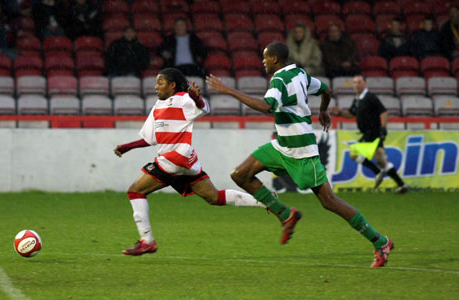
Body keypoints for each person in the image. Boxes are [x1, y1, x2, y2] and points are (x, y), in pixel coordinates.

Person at [206, 42, 394, 268]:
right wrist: (323, 110)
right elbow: (326, 90)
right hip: (282, 146)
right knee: (240, 174)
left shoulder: (279, 80)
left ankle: (380, 241)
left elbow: (267, 107)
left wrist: (229, 90)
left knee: (329, 202)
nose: (262, 61)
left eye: (265, 58)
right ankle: (285, 214)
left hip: (303, 150)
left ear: (275, 59)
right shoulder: (300, 74)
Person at [114, 68, 264, 256]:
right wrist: (128, 146)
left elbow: (203, 108)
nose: (156, 86)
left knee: (135, 191)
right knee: (214, 197)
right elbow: (150, 139)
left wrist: (196, 99)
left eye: (160, 83)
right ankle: (264, 201)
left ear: (172, 85)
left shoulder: (184, 99)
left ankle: (147, 241)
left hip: (174, 159)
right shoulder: (157, 107)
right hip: (186, 162)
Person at [331, 75, 408, 194]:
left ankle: (377, 172)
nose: (356, 85)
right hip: (368, 133)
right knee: (381, 160)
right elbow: (352, 114)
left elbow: (383, 112)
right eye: (354, 82)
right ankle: (401, 185)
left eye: (359, 82)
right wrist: (340, 113)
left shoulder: (370, 97)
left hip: (372, 132)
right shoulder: (357, 99)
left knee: (353, 154)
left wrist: (383, 128)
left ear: (365, 84)